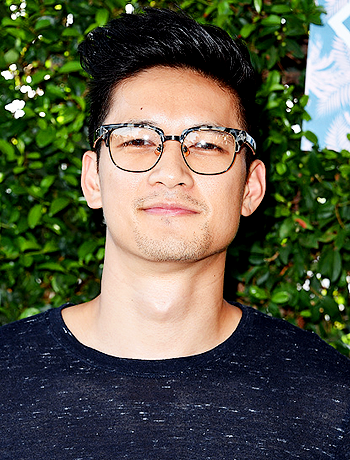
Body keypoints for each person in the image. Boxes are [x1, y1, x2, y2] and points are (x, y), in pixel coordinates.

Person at [0, 8, 349, 459]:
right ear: (92, 180)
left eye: (206, 144)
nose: (170, 172)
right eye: (137, 139)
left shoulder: (333, 403)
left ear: (250, 187)